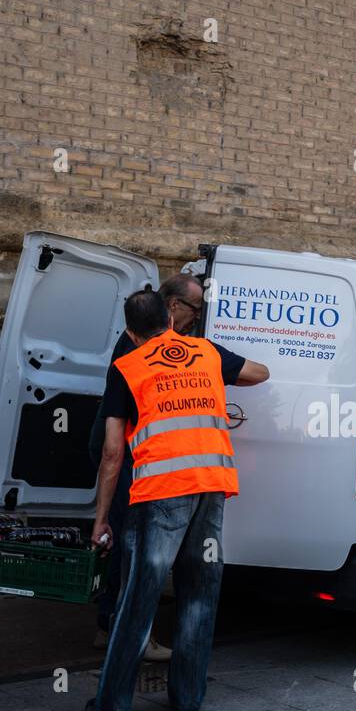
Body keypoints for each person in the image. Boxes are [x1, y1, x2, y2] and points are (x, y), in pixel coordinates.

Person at [86, 273, 267, 651]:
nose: (197, 319)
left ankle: (120, 627)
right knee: (131, 548)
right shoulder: (142, 352)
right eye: (195, 311)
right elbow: (113, 449)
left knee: (133, 545)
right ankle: (124, 632)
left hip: (142, 461)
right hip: (136, 461)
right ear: (172, 308)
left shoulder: (157, 344)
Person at [85, 289, 238, 711]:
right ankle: (187, 698)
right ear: (170, 320)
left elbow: (112, 453)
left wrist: (101, 520)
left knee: (139, 595)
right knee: (200, 593)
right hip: (211, 485)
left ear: (132, 333)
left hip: (160, 492)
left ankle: (113, 706)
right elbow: (258, 371)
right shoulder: (207, 353)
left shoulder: (127, 367)